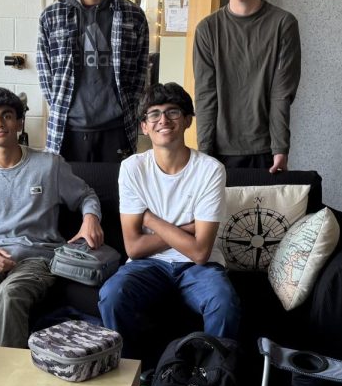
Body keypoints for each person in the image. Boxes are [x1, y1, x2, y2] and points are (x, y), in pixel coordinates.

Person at [0, 87, 103, 348]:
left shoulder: (49, 165)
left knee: (9, 296)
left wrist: (91, 218)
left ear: (19, 123)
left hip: (37, 258)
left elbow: (86, 195)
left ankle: (10, 380)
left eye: (7, 116)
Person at [98, 83, 240, 362]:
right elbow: (134, 248)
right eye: (154, 114)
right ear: (144, 126)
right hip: (148, 264)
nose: (163, 120)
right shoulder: (132, 168)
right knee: (112, 294)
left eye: (173, 112)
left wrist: (150, 218)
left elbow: (200, 252)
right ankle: (132, 376)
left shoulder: (210, 170)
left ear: (187, 120)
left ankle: (209, 379)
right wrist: (189, 229)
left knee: (224, 303)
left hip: (199, 268)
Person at [38, 0, 150, 163]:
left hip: (116, 132)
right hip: (67, 133)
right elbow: (46, 78)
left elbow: (140, 78)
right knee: (67, 200)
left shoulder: (133, 16)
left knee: (116, 199)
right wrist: (63, 109)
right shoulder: (51, 16)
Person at [193, 0, 301, 172]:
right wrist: (204, 153)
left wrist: (280, 149)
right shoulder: (207, 29)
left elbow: (282, 93)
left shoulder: (283, 24)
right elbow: (205, 95)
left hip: (265, 149)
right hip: (218, 150)